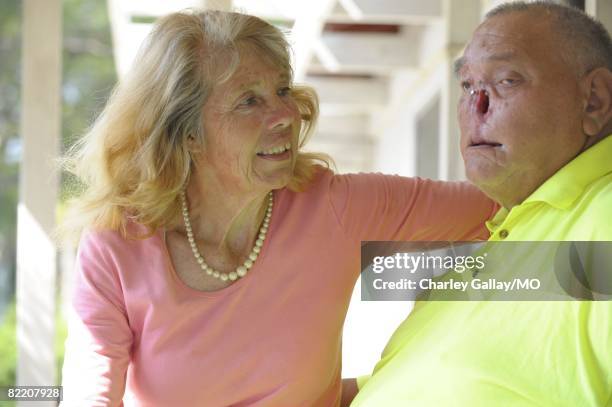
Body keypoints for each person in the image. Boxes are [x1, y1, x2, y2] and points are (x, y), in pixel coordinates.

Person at [58, 9, 497, 406]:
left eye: (282, 89)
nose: (286, 113)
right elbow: (90, 391)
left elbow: (499, 206)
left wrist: (563, 278)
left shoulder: (333, 206)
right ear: (187, 133)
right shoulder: (117, 242)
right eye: (249, 100)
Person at [350, 2, 612, 406]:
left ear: (594, 100)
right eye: (468, 86)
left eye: (506, 81)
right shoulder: (496, 233)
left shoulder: (604, 217)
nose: (477, 106)